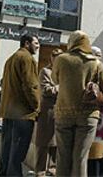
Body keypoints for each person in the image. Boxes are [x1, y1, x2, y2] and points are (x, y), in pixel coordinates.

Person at [52, 31, 103, 177]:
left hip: (63, 113)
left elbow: (55, 80)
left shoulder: (61, 59)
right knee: (80, 157)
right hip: (88, 116)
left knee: (63, 156)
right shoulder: (96, 63)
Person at [0, 34, 40, 177]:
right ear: (27, 43)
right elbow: (30, 85)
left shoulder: (11, 59)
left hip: (9, 112)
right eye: (36, 43)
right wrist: (36, 106)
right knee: (18, 150)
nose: (38, 46)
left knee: (7, 148)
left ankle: (3, 174)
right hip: (22, 113)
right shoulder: (27, 58)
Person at [35, 48, 63, 177]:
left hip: (61, 110)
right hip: (48, 110)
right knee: (44, 142)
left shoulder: (64, 73)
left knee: (56, 142)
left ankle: (52, 169)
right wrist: (59, 87)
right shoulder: (45, 71)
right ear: (51, 58)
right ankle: (40, 171)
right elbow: (46, 90)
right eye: (55, 57)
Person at [87, 46, 103, 177]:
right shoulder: (90, 69)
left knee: (96, 153)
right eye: (97, 54)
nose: (100, 57)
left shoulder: (100, 69)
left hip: (99, 116)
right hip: (89, 115)